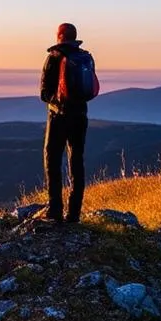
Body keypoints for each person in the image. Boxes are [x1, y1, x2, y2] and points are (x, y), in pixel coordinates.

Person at [40, 22, 99, 223]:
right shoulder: (85, 57)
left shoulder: (53, 58)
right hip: (81, 116)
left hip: (58, 117)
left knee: (52, 160)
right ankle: (74, 214)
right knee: (76, 162)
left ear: (60, 36)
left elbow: (44, 94)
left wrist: (56, 101)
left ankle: (55, 210)